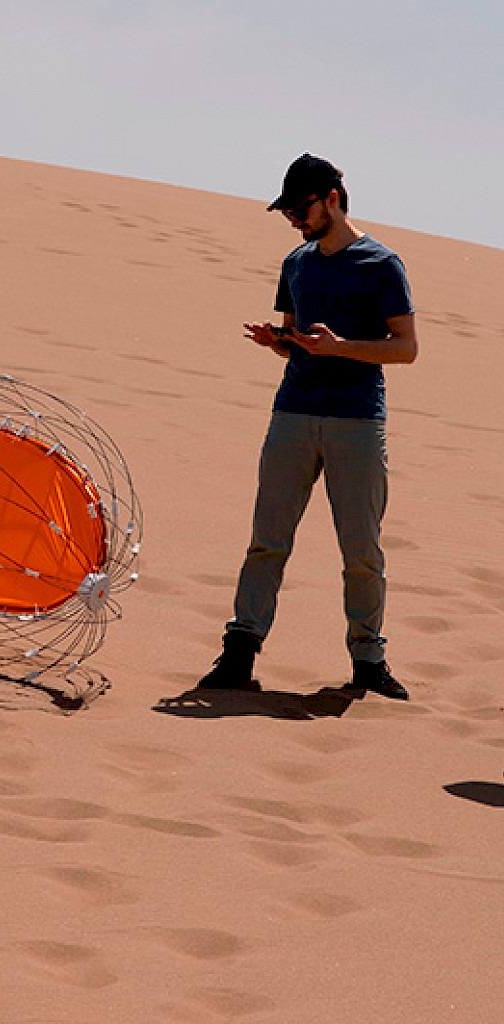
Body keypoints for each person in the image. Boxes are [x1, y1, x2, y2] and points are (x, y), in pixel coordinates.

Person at [198, 153, 417, 699]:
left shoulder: (381, 264)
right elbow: (299, 341)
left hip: (357, 422)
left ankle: (368, 661)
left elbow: (406, 349)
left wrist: (342, 348)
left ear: (333, 200)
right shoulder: (297, 263)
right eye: (288, 212)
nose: (295, 219)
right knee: (267, 541)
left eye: (301, 209)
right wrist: (280, 341)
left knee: (361, 548)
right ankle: (239, 653)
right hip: (292, 414)